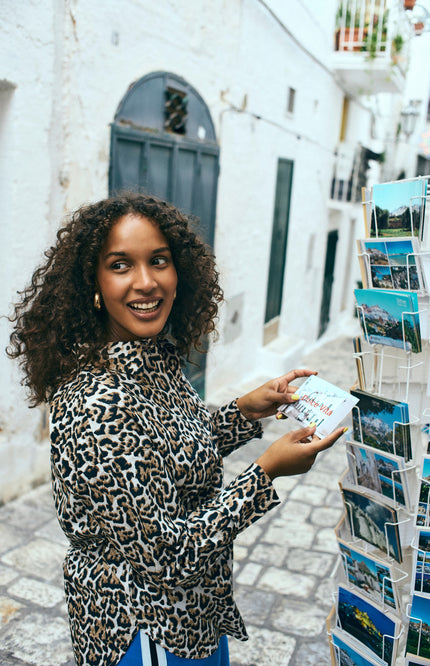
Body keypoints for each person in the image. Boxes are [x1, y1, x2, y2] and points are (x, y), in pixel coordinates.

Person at [7, 192, 345, 666]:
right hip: (144, 628)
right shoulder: (97, 403)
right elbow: (168, 557)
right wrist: (265, 473)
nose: (146, 282)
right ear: (94, 284)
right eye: (121, 265)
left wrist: (244, 413)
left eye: (159, 261)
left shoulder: (151, 359)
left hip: (193, 617)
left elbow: (165, 455)